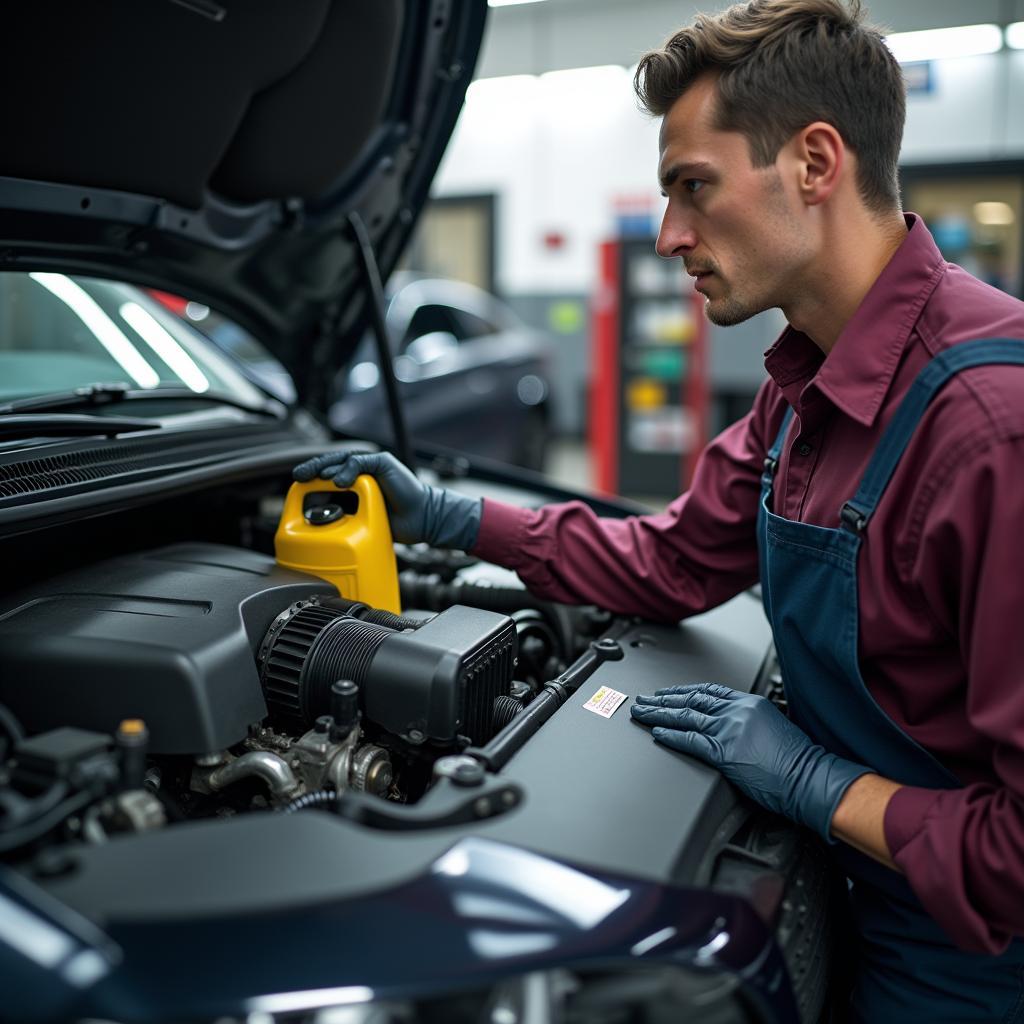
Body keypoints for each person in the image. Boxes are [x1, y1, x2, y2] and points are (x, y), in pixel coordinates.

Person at [295, 0, 1024, 1017]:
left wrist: (813, 781)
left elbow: (1013, 853)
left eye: (693, 187)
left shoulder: (990, 427)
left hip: (968, 969)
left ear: (815, 164)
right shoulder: (799, 388)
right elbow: (675, 561)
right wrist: (455, 519)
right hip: (847, 899)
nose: (671, 234)